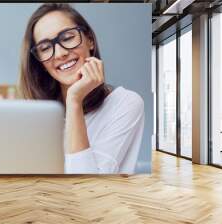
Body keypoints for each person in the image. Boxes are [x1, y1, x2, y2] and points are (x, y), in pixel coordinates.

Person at [19, 3, 144, 174]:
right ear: (40, 63)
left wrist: (74, 101)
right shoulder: (37, 115)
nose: (60, 53)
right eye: (45, 48)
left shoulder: (126, 102)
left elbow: (86, 186)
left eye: (67, 38)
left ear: (90, 40)